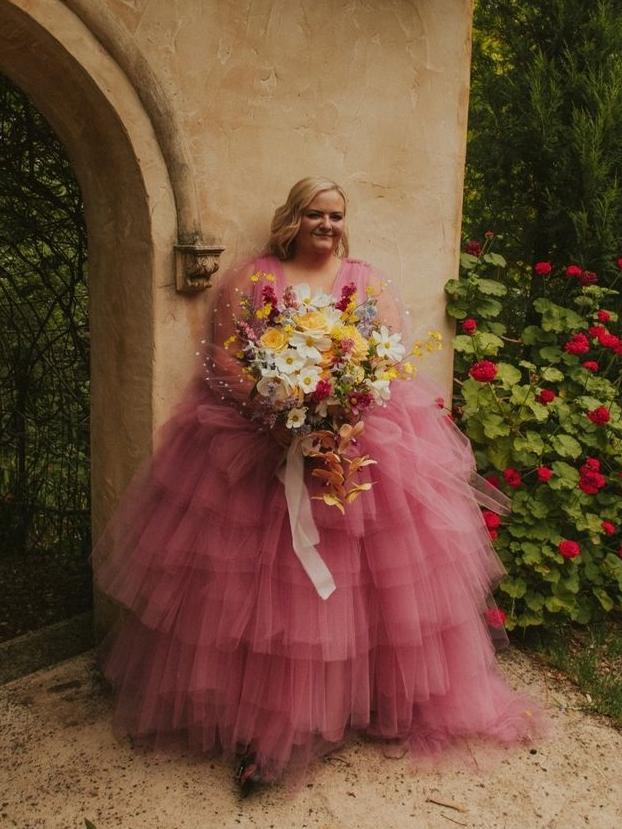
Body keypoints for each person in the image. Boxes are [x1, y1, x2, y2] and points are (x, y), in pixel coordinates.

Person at [91, 177, 547, 797]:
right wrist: (275, 413)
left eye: (335, 215)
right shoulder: (256, 279)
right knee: (264, 594)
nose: (326, 225)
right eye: (314, 214)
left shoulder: (367, 280)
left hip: (355, 451)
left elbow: (387, 361)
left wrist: (343, 412)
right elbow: (224, 360)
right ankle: (264, 731)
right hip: (258, 447)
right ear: (293, 218)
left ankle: (367, 703)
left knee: (358, 588)